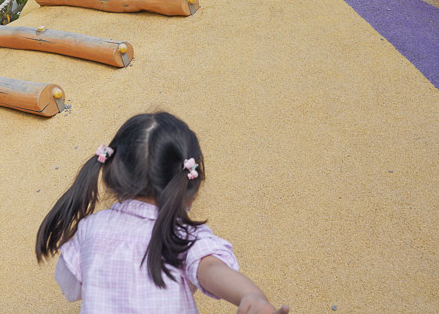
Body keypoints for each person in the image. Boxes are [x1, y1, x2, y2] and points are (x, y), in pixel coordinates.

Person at [36, 112, 287, 314]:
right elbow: (210, 267)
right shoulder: (182, 235)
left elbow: (71, 288)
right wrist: (249, 295)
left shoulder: (90, 228)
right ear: (189, 186)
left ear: (112, 173)